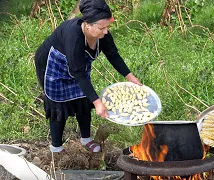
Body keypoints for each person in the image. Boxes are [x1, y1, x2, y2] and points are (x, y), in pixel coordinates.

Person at [34, 0, 141, 153]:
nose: (105, 31)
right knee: (58, 105)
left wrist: (130, 76)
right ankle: (56, 148)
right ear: (87, 24)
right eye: (101, 28)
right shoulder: (74, 36)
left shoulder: (102, 33)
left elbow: (113, 54)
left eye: (108, 27)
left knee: (84, 100)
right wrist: (98, 103)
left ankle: (86, 139)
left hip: (77, 66)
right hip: (53, 64)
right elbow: (78, 74)